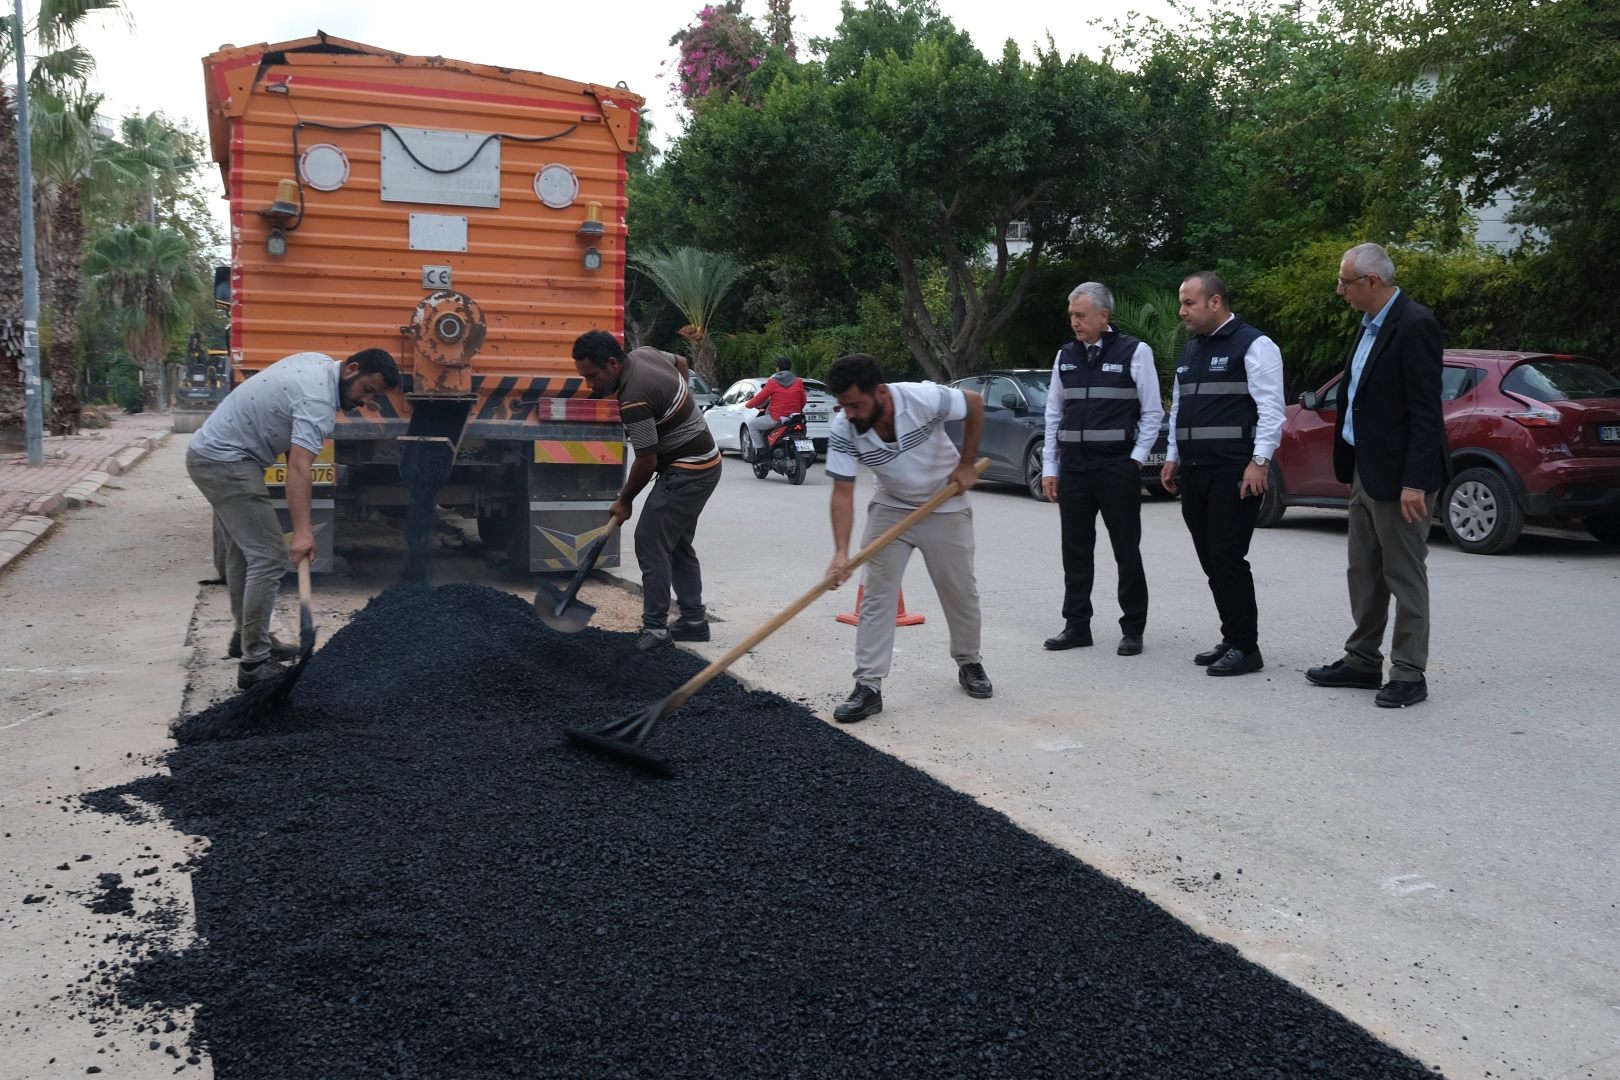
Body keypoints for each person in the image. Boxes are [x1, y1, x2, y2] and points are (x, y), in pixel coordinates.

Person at [187, 348, 398, 688]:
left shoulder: (317, 364)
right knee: (269, 556)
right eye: (367, 390)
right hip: (225, 460)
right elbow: (299, 468)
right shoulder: (317, 401)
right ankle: (255, 665)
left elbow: (289, 438)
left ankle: (246, 638)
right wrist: (302, 533)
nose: (365, 401)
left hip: (215, 453)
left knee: (244, 551)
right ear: (352, 370)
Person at [1306, 243, 1446, 708]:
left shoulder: (1415, 324)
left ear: (1371, 282)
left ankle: (1408, 672)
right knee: (1363, 571)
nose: (1338, 289)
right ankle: (1362, 661)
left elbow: (1426, 413)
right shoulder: (1368, 326)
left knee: (1404, 574)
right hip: (1365, 468)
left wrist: (1415, 482)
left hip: (1400, 476)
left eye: (1344, 281)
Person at [822, 353, 991, 722]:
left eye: (855, 404)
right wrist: (840, 553)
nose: (848, 413)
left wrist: (966, 463)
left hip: (945, 503)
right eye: (843, 406)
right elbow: (842, 493)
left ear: (880, 392)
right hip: (892, 504)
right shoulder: (844, 427)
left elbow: (975, 404)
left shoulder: (922, 398)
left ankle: (970, 662)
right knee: (876, 594)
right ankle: (868, 686)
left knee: (959, 589)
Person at [1158, 272, 1285, 676]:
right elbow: (1179, 408)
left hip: (1234, 470)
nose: (1182, 312)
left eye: (1189, 303)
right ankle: (1232, 636)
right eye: (1182, 303)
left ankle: (1247, 647)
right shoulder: (1191, 350)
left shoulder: (1254, 345)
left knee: (1227, 555)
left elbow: (1272, 409)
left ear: (1215, 302)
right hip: (1194, 471)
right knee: (1210, 557)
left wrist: (1259, 461)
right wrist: (1173, 455)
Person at [572, 330, 722, 651]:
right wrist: (684, 408)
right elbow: (681, 362)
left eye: (592, 376)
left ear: (613, 363)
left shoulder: (634, 398)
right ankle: (694, 620)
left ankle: (655, 629)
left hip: (690, 467)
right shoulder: (645, 353)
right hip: (701, 461)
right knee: (675, 542)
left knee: (651, 539)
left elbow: (646, 459)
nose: (590, 385)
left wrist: (625, 500)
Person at [1041, 282, 1165, 656]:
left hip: (1116, 468)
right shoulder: (1066, 355)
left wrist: (1136, 459)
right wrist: (1050, 465)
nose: (1075, 323)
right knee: (1075, 551)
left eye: (1080, 316)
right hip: (1075, 469)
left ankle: (1133, 629)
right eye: (1072, 316)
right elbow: (1053, 413)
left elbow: (1152, 411)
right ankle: (1076, 625)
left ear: (1103, 316)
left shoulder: (1134, 351)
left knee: (1126, 550)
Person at [742, 356, 808, 459]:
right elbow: (803, 401)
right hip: (795, 418)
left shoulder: (773, 382)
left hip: (776, 419)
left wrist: (749, 404)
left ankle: (762, 452)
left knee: (752, 425)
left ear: (777, 369)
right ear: (790, 368)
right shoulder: (798, 382)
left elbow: (761, 397)